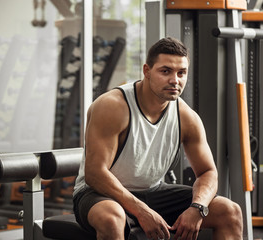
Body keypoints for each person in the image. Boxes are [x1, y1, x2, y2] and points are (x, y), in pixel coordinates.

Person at [72, 37, 243, 240]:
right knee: (112, 218)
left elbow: (208, 172)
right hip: (99, 194)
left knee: (229, 211)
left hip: (152, 192)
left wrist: (198, 208)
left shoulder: (187, 117)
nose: (175, 80)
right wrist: (142, 211)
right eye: (165, 71)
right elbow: (95, 173)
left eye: (181, 73)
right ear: (147, 71)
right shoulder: (113, 106)